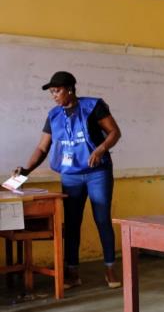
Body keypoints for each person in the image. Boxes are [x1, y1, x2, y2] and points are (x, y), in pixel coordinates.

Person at [13, 71, 122, 289]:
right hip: (70, 175)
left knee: (102, 219)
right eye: (51, 92)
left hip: (96, 173)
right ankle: (72, 272)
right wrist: (25, 170)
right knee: (72, 224)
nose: (54, 95)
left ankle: (110, 268)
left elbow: (114, 133)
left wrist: (100, 150)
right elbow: (42, 147)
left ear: (70, 89)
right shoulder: (54, 115)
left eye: (57, 90)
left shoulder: (93, 106)